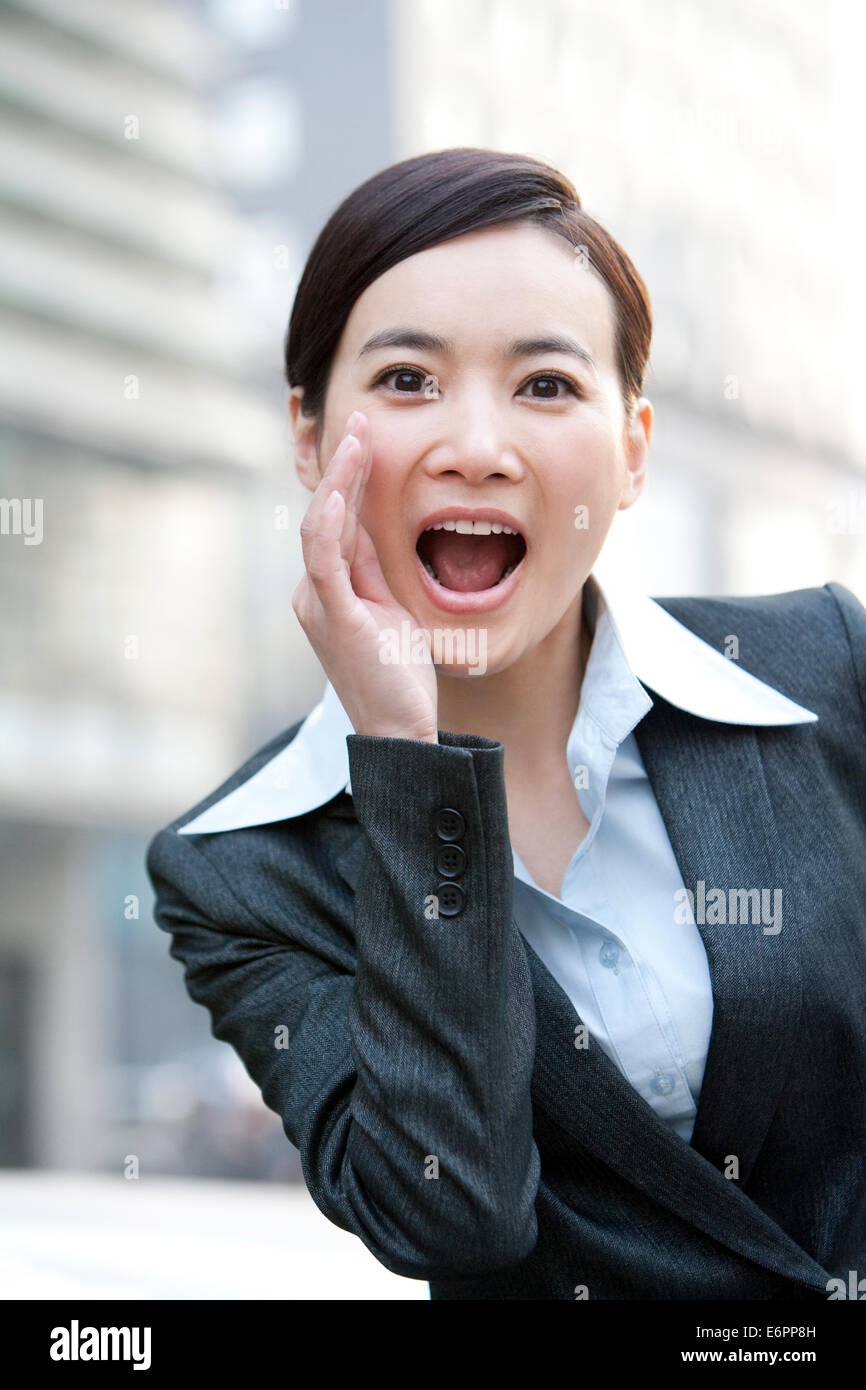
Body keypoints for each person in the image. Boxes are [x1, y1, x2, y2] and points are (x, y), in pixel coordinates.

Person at [146, 148, 866, 1301]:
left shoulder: (824, 669)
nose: (474, 444)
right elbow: (455, 1213)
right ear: (306, 434)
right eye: (405, 380)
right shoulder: (240, 867)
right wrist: (404, 761)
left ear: (630, 449)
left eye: (543, 385)